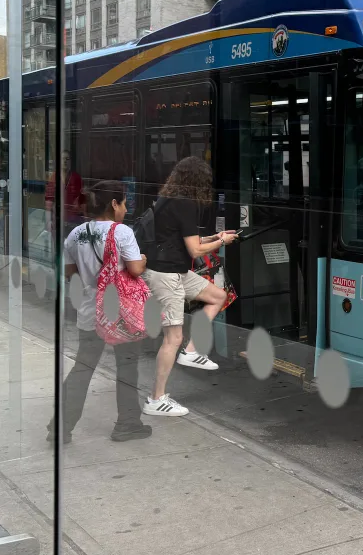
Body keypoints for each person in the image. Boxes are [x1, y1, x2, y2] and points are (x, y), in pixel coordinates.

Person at [54, 181, 151, 443]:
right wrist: (142, 259)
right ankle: (127, 423)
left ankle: (61, 426)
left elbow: (69, 273)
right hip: (121, 314)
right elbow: (135, 270)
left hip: (89, 312)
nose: (126, 208)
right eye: (124, 203)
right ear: (114, 204)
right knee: (127, 367)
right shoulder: (122, 232)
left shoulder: (75, 234)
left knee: (83, 368)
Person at [143, 156, 237, 417]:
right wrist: (222, 243)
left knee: (219, 296)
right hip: (167, 274)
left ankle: (192, 352)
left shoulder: (167, 199)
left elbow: (185, 239)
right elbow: (195, 250)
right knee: (173, 338)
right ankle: (156, 399)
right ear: (199, 180)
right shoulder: (185, 203)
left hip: (174, 269)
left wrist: (215, 236)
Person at [46, 151, 85, 234]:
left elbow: (82, 200)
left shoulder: (76, 178)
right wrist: (48, 220)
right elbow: (49, 201)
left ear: (70, 161)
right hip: (57, 219)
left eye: (67, 159)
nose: (65, 161)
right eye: (63, 159)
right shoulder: (53, 177)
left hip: (73, 221)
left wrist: (84, 220)